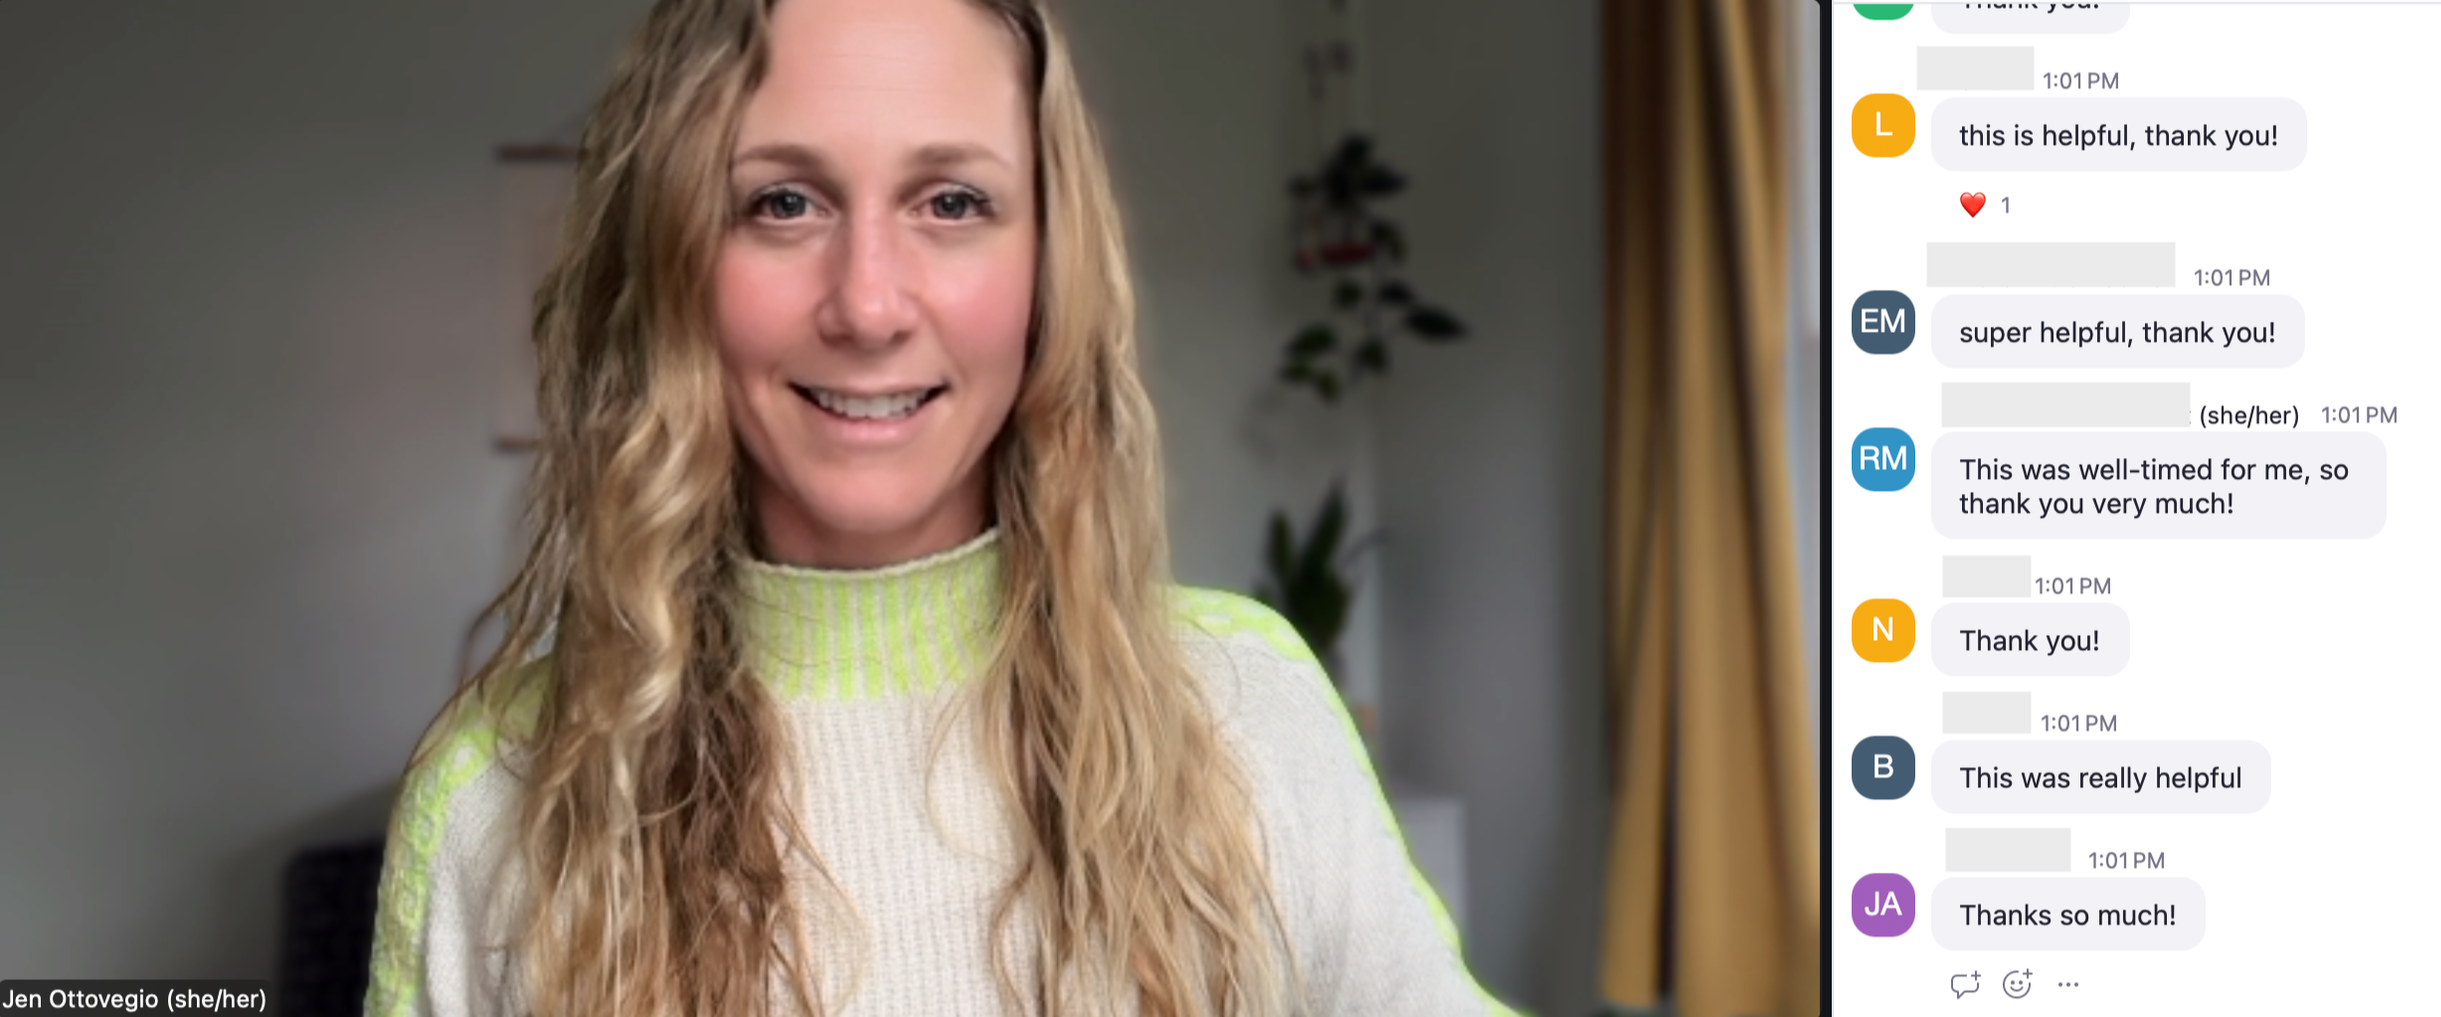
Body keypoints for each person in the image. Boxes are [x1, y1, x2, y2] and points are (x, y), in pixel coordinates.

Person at [365, 0, 1510, 1013]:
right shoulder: (496, 794)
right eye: (780, 202)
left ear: (1047, 267)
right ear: (670, 266)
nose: (867, 304)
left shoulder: (1246, 707)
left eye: (952, 200)